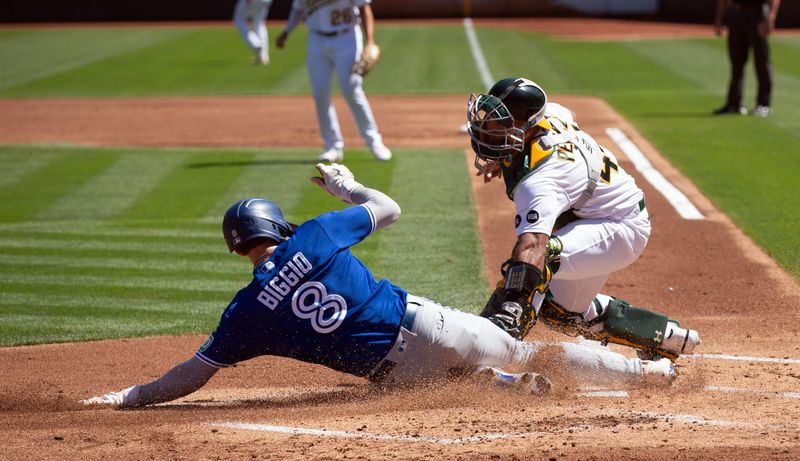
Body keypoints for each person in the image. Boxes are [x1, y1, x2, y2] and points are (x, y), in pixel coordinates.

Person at [81, 163, 677, 409]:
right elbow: (387, 207)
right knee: (522, 342)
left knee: (447, 383)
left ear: (239, 247)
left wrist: (130, 396)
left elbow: (193, 374)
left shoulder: (244, 314)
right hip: (425, 323)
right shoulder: (311, 237)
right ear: (274, 226)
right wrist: (347, 187)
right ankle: (652, 374)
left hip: (397, 375)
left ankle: (507, 387)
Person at [465, 77, 701, 362]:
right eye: (490, 120)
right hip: (594, 216)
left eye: (499, 125)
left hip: (620, 227)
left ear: (526, 128)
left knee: (536, 265)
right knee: (561, 312)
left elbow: (531, 248)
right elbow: (565, 113)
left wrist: (509, 302)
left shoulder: (542, 182)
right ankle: (665, 336)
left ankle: (494, 339)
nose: (488, 129)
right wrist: (505, 153)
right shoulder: (548, 115)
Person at [275, 0, 391, 163]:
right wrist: (287, 31)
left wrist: (370, 42)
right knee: (320, 94)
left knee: (351, 89)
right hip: (317, 39)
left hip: (346, 37)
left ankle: (373, 140)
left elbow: (364, 7)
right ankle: (333, 146)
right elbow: (298, 8)